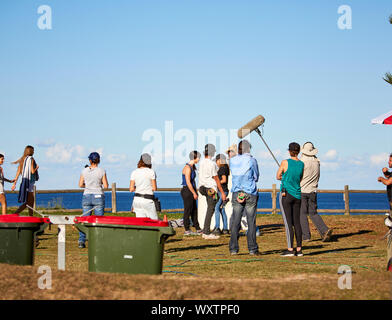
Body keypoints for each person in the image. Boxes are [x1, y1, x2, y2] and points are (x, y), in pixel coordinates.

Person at [229, 140, 261, 255]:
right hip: (250, 192)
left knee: (235, 221)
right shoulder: (252, 160)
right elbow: (256, 176)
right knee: (251, 222)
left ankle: (233, 249)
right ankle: (252, 249)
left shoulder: (232, 160)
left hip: (237, 191)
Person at [299, 142, 333, 242]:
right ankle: (324, 230)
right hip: (313, 190)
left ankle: (306, 236)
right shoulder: (317, 162)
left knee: (302, 214)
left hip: (302, 190)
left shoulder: (301, 162)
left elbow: (298, 176)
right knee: (313, 213)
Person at [276, 142, 304, 257]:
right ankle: (299, 249)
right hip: (297, 195)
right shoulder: (301, 164)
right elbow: (299, 178)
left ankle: (290, 249)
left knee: (288, 223)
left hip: (286, 195)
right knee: (297, 222)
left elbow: (278, 176)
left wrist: (284, 176)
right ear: (298, 151)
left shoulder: (285, 162)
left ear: (289, 151)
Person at [78, 152, 108, 248]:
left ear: (90, 160)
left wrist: (88, 185)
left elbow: (80, 185)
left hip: (86, 195)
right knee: (99, 220)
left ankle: (81, 240)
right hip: (98, 195)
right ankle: (98, 239)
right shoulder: (102, 171)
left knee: (85, 219)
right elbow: (106, 186)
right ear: (98, 160)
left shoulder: (84, 171)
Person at [198, 144, 227, 239]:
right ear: (212, 152)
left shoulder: (201, 162)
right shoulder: (212, 164)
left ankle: (206, 231)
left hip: (202, 188)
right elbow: (216, 179)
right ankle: (206, 232)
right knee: (211, 209)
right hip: (211, 189)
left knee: (210, 208)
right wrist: (222, 193)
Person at [11, 145, 39, 216]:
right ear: (31, 151)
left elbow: (18, 172)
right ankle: (16, 213)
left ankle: (30, 215)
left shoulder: (23, 159)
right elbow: (32, 171)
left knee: (30, 202)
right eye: (33, 151)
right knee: (29, 202)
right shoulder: (31, 159)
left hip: (24, 182)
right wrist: (37, 168)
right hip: (30, 182)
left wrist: (14, 183)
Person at [130, 153, 158, 220]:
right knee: (154, 222)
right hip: (147, 200)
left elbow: (131, 189)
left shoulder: (134, 172)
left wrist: (139, 186)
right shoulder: (151, 172)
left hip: (137, 200)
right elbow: (154, 188)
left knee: (141, 223)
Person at [180, 151, 202, 236]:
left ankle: (197, 228)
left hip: (191, 190)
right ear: (195, 158)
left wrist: (195, 191)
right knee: (188, 210)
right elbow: (188, 182)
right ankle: (187, 229)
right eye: (198, 157)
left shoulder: (193, 167)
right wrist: (194, 193)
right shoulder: (188, 168)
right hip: (187, 191)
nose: (199, 159)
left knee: (194, 210)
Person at [213, 154, 230, 235]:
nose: (216, 163)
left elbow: (224, 180)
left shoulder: (223, 168)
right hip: (223, 190)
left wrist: (216, 182)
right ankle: (225, 228)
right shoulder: (225, 168)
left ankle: (217, 227)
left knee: (216, 208)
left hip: (223, 191)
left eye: (216, 161)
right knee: (221, 209)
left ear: (219, 160)